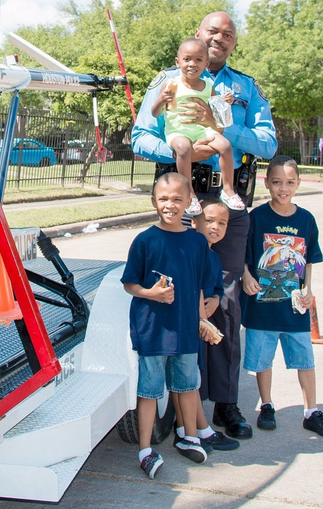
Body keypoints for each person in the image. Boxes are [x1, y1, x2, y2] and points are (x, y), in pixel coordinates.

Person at [132, 11, 278, 440]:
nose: (219, 38)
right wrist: (185, 150)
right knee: (174, 298)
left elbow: (268, 141)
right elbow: (140, 135)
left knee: (225, 301)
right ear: (197, 36)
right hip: (182, 200)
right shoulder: (167, 80)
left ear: (233, 44)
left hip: (229, 204)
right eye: (212, 31)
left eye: (227, 34)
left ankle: (226, 403)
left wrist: (224, 128)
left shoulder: (245, 87)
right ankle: (175, 407)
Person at [122, 172, 222, 478]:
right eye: (164, 199)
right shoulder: (144, 241)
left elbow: (201, 286)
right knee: (150, 390)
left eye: (178, 199)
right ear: (154, 202)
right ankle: (144, 449)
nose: (170, 205)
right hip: (152, 330)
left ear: (189, 203)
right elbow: (130, 284)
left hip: (185, 330)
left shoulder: (196, 242)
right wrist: (151, 293)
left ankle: (189, 436)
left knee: (188, 385)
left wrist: (203, 319)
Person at [241, 156, 323, 438]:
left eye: (290, 183)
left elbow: (308, 260)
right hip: (262, 306)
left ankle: (311, 411)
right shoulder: (257, 217)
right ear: (266, 183)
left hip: (294, 308)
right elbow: (244, 255)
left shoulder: (305, 219)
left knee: (305, 360)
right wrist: (246, 276)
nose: (283, 188)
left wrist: (308, 289)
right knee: (262, 360)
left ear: (298, 184)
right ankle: (267, 404)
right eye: (277, 183)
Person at [170, 199, 240, 452]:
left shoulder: (213, 257)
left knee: (190, 378)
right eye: (209, 220)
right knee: (187, 377)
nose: (215, 226)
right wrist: (201, 318)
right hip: (189, 323)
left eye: (222, 223)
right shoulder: (191, 252)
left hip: (201, 321)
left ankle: (191, 429)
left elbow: (214, 289)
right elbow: (195, 287)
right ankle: (196, 430)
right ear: (195, 221)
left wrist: (216, 300)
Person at [149, 38, 243, 215]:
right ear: (178, 62)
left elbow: (215, 110)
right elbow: (155, 113)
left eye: (199, 60)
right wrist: (161, 100)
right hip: (178, 131)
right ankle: (190, 194)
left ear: (206, 63)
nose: (192, 64)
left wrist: (223, 102)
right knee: (183, 148)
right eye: (187, 59)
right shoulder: (171, 84)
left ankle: (228, 190)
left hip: (201, 130)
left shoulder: (208, 86)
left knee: (225, 145)